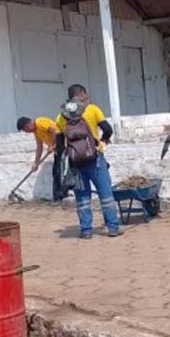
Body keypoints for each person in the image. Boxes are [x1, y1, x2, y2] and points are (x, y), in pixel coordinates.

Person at [55, 84, 121, 239]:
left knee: (82, 197)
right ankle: (112, 228)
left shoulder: (60, 116)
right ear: (82, 94)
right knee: (105, 194)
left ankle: (86, 230)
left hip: (75, 163)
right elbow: (107, 129)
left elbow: (59, 145)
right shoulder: (91, 109)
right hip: (95, 158)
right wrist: (104, 139)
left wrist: (68, 159)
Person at [16, 116, 63, 200]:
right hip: (57, 150)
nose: (27, 132)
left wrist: (52, 145)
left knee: (59, 172)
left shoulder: (40, 122)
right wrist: (36, 162)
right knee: (56, 173)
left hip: (63, 147)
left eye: (25, 130)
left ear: (28, 125)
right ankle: (58, 197)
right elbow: (39, 147)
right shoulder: (36, 132)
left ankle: (59, 197)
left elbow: (53, 130)